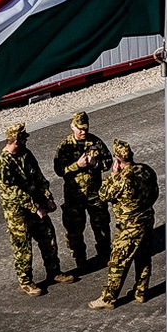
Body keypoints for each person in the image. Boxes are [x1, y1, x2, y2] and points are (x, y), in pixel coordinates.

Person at [0, 123, 74, 296]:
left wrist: (48, 197)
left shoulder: (26, 154)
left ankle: (54, 272)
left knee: (49, 238)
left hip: (37, 207)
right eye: (23, 138)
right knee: (23, 248)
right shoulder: (1, 164)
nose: (26, 140)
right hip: (18, 214)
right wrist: (35, 207)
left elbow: (38, 177)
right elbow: (12, 193)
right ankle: (26, 281)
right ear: (15, 140)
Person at [88, 139, 158, 310]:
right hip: (147, 220)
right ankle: (141, 291)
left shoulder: (122, 180)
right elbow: (155, 193)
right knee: (143, 256)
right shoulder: (146, 170)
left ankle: (108, 298)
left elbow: (103, 194)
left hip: (129, 227)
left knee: (118, 261)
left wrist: (113, 175)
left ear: (117, 160)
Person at [53, 111, 113, 271]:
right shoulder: (65, 146)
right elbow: (59, 170)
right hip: (74, 196)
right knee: (74, 230)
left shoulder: (95, 142)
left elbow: (108, 162)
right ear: (72, 126)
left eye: (85, 128)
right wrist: (77, 166)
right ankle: (80, 259)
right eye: (79, 128)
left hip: (95, 194)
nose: (83, 132)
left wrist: (95, 164)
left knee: (101, 226)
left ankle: (105, 254)